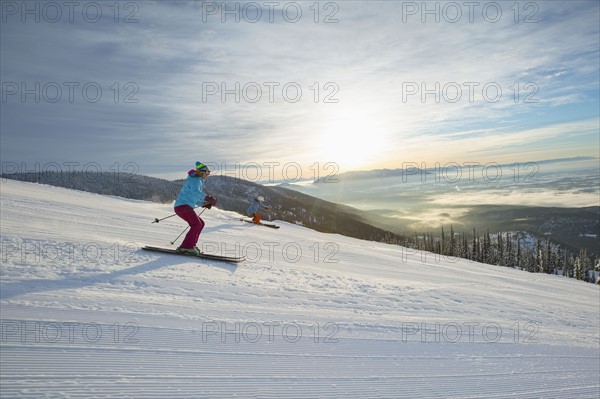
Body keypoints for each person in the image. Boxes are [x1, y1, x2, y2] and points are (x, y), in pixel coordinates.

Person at [174, 162, 217, 254]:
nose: (208, 175)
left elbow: (194, 198)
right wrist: (207, 198)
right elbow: (195, 192)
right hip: (182, 206)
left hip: (184, 206)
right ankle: (187, 246)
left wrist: (203, 203)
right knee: (196, 224)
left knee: (201, 223)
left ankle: (191, 245)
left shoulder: (196, 180)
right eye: (207, 173)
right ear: (202, 172)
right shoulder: (196, 180)